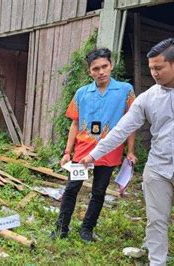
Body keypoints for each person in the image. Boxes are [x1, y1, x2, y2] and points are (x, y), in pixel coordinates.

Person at [80, 38, 174, 264]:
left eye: (159, 68)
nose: (154, 73)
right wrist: (93, 155)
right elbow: (121, 129)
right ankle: (156, 262)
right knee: (156, 222)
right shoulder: (148, 98)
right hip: (158, 170)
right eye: (151, 68)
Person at [51, 48, 137, 242]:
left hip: (110, 152)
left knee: (99, 191)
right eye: (95, 68)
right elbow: (74, 123)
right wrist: (67, 152)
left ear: (111, 65)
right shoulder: (82, 93)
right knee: (72, 188)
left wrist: (130, 151)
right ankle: (61, 228)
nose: (101, 72)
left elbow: (131, 122)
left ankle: (87, 229)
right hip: (82, 152)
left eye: (104, 66)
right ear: (89, 71)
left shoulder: (125, 90)